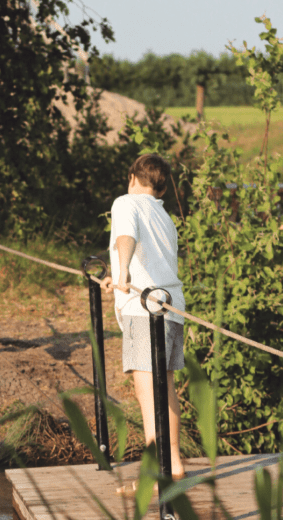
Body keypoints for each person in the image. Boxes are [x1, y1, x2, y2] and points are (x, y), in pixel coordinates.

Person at [100, 153, 186, 483]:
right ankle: (172, 462)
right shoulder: (164, 215)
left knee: (147, 390)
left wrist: (121, 272)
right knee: (164, 385)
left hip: (145, 308)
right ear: (161, 189)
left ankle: (156, 468)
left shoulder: (126, 202)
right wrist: (116, 275)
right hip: (170, 304)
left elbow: (126, 237)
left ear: (133, 177)